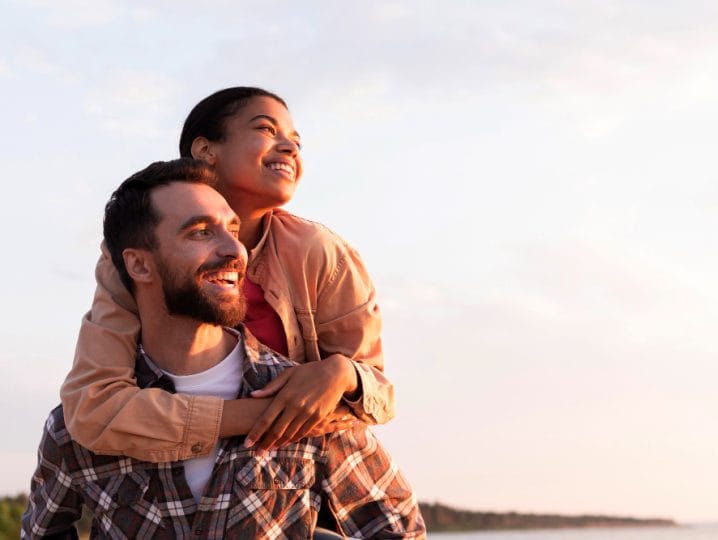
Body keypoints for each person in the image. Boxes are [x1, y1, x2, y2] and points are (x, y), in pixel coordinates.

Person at [22, 159, 425, 539]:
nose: (235, 251)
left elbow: (398, 528)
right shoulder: (78, 425)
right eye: (200, 232)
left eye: (233, 230)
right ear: (139, 266)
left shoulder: (307, 403)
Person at [60, 87, 395, 464]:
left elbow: (377, 396)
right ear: (206, 151)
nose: (289, 147)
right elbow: (94, 406)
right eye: (267, 130)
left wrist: (341, 373)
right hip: (164, 478)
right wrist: (259, 416)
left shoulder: (321, 254)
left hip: (298, 485)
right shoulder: (135, 253)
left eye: (295, 140)